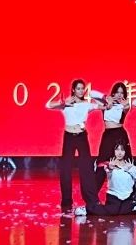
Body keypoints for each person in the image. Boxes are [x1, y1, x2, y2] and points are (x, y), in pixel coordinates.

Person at [46, 78, 102, 215]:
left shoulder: (86, 104)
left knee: (86, 168)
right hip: (69, 137)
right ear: (73, 90)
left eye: (83, 89)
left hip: (81, 137)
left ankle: (91, 199)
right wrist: (62, 103)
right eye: (78, 89)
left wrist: (103, 98)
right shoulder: (67, 104)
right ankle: (66, 201)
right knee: (65, 169)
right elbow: (48, 105)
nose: (81, 91)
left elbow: (102, 106)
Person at [86, 141, 136, 216]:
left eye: (122, 150)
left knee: (123, 210)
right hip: (113, 197)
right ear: (114, 151)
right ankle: (87, 209)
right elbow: (106, 172)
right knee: (114, 211)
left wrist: (131, 169)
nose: (119, 153)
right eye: (117, 149)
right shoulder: (110, 165)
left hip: (127, 198)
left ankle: (131, 206)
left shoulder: (130, 165)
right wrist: (110, 168)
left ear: (126, 151)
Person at [94, 82, 133, 190]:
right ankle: (92, 196)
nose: (119, 95)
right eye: (117, 92)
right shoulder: (105, 102)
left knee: (125, 163)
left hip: (120, 134)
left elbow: (127, 107)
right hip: (107, 135)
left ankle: (128, 194)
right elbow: (92, 93)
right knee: (102, 163)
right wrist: (106, 98)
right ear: (113, 93)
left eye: (122, 93)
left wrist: (125, 106)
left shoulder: (124, 105)